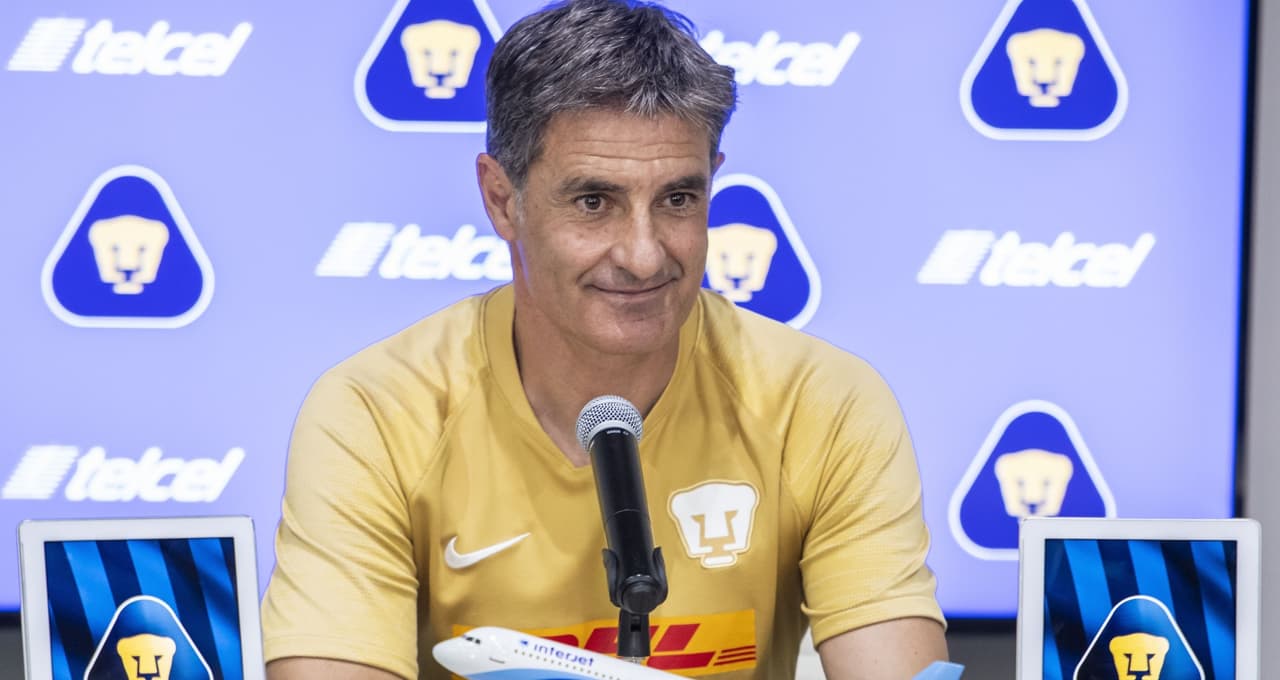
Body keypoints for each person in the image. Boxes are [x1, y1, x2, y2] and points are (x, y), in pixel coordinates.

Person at [261, 1, 948, 678]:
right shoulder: (376, 412)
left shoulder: (821, 402)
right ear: (501, 199)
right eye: (594, 202)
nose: (644, 256)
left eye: (678, 199)